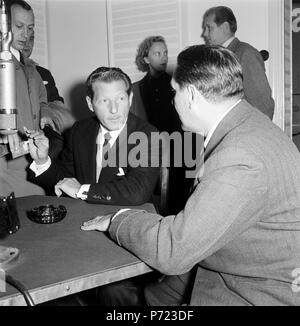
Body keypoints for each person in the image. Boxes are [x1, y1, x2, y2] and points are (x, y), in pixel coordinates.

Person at [81, 45, 300, 306]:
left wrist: (116, 220)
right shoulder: (249, 124)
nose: (173, 100)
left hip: (253, 291)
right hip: (228, 262)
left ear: (192, 95)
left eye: (175, 92)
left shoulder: (240, 156)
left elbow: (175, 248)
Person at [27, 66, 159, 206]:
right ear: (90, 104)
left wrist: (81, 190)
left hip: (128, 219)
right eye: (104, 101)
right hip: (85, 215)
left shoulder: (148, 135)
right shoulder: (79, 131)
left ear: (130, 99)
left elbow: (137, 191)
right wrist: (42, 161)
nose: (114, 110)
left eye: (120, 98)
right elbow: (67, 179)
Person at [0, 0, 60, 197]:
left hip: (30, 156)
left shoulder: (32, 68)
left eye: (30, 27)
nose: (26, 34)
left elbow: (43, 100)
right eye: (19, 26)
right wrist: (6, 127)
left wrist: (46, 113)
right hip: (5, 160)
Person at [202, 6, 275, 120]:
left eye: (209, 28)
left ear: (225, 27)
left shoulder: (246, 54)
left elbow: (264, 106)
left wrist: (250, 136)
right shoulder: (218, 57)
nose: (205, 34)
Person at [21, 33, 75, 134]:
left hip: (49, 127)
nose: (27, 44)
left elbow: (57, 102)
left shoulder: (43, 73)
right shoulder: (7, 71)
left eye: (31, 39)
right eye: (23, 39)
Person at [131, 35, 180, 133]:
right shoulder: (135, 89)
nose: (164, 58)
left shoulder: (178, 85)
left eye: (165, 53)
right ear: (146, 59)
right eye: (158, 54)